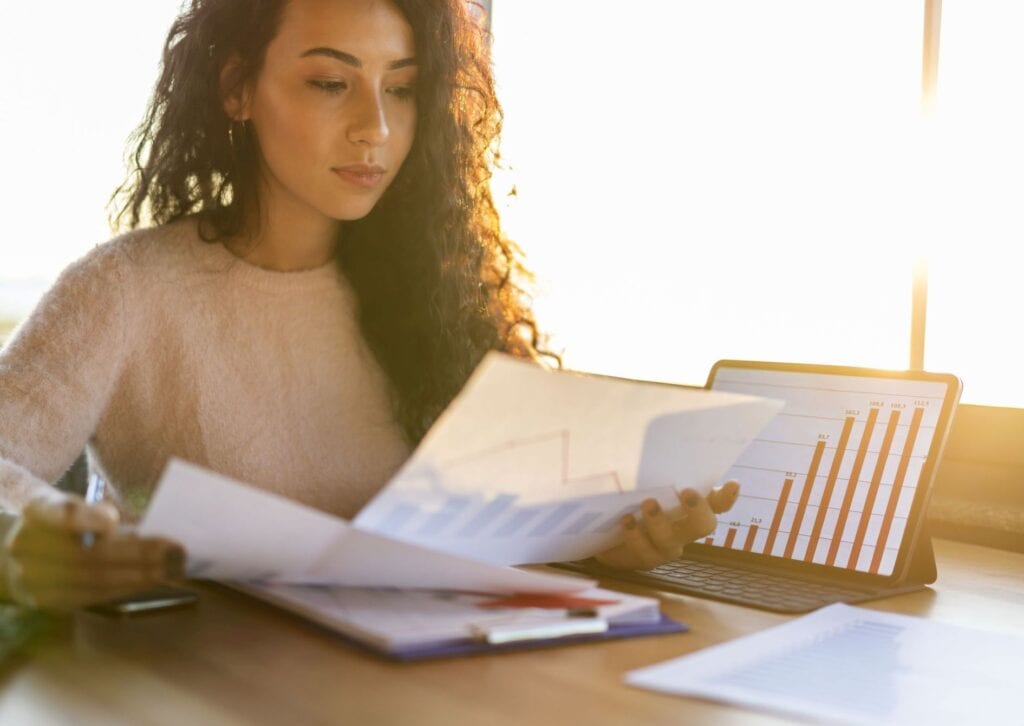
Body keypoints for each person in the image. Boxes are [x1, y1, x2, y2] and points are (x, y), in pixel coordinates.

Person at [0, 0, 738, 611]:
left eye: (403, 88)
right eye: (330, 83)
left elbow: (502, 522)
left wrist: (616, 537)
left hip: (418, 686)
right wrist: (27, 530)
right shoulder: (125, 289)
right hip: (191, 691)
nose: (375, 129)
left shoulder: (438, 295)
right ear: (236, 87)